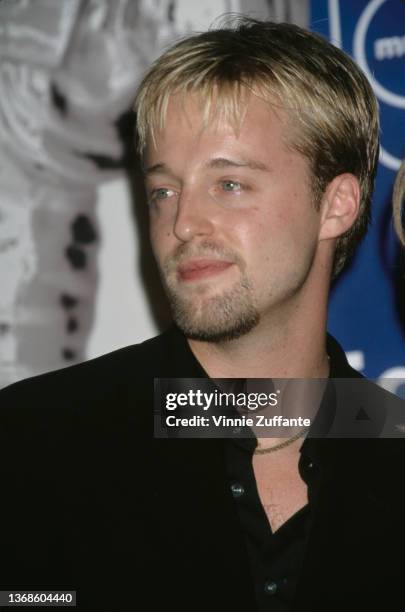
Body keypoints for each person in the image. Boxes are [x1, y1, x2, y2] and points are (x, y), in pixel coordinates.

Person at [0, 16, 404, 612]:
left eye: (230, 184)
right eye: (163, 191)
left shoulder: (390, 448)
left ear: (336, 204)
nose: (182, 223)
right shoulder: (35, 442)